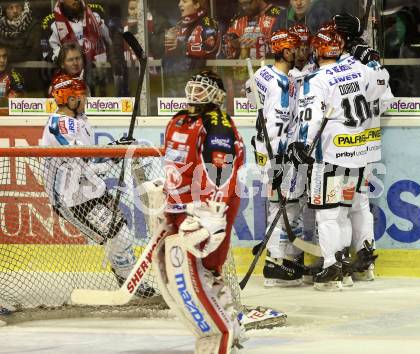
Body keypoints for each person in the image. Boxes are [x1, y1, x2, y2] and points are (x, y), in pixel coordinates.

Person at [152, 70, 245, 353]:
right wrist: (165, 190)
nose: (195, 92)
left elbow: (220, 170)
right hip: (178, 206)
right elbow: (174, 161)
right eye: (193, 86)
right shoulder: (178, 119)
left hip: (206, 207)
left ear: (217, 95)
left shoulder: (217, 122)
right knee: (176, 274)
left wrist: (210, 210)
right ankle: (226, 320)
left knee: (202, 270)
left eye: (203, 89)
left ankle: (225, 328)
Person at [292, 25, 390, 291]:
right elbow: (383, 90)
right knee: (352, 209)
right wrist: (373, 61)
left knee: (328, 214)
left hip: (331, 157)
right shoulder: (360, 69)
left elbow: (309, 119)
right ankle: (354, 263)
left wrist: (301, 144)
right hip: (359, 155)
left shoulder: (317, 79)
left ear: (318, 49)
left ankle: (332, 267)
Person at [40, 74, 155, 298]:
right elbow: (83, 160)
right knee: (119, 235)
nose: (86, 100)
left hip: (90, 190)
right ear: (70, 99)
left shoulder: (80, 121)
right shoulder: (60, 125)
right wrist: (113, 155)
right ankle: (128, 278)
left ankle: (128, 278)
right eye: (82, 97)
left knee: (121, 232)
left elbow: (88, 158)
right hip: (71, 199)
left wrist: (114, 149)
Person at [245, 29, 307, 287]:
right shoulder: (283, 84)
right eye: (294, 49)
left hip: (263, 149)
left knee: (276, 205)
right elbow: (277, 127)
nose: (299, 52)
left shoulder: (262, 73)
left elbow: (249, 92)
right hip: (277, 153)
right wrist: (279, 162)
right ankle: (275, 262)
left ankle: (278, 256)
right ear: (284, 51)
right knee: (287, 205)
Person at [41, 0, 111, 96]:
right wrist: (68, 59)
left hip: (97, 76)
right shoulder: (50, 21)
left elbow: (110, 39)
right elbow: (47, 52)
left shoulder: (96, 12)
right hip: (66, 80)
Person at [163, 0, 220, 96]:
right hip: (174, 84)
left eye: (184, 1)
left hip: (200, 86)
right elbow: (169, 54)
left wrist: (182, 46)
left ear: (197, 4)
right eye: (180, 1)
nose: (180, 4)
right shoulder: (179, 25)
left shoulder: (208, 22)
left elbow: (209, 47)